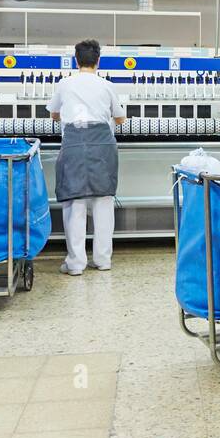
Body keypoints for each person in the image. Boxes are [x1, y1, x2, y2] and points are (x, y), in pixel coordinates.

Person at [48, 39, 126, 275]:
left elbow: (54, 114)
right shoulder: (107, 85)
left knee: (75, 203)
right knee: (103, 203)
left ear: (76, 60)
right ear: (98, 61)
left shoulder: (65, 84)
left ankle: (76, 264)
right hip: (102, 145)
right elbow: (120, 118)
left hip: (74, 144)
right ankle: (103, 260)